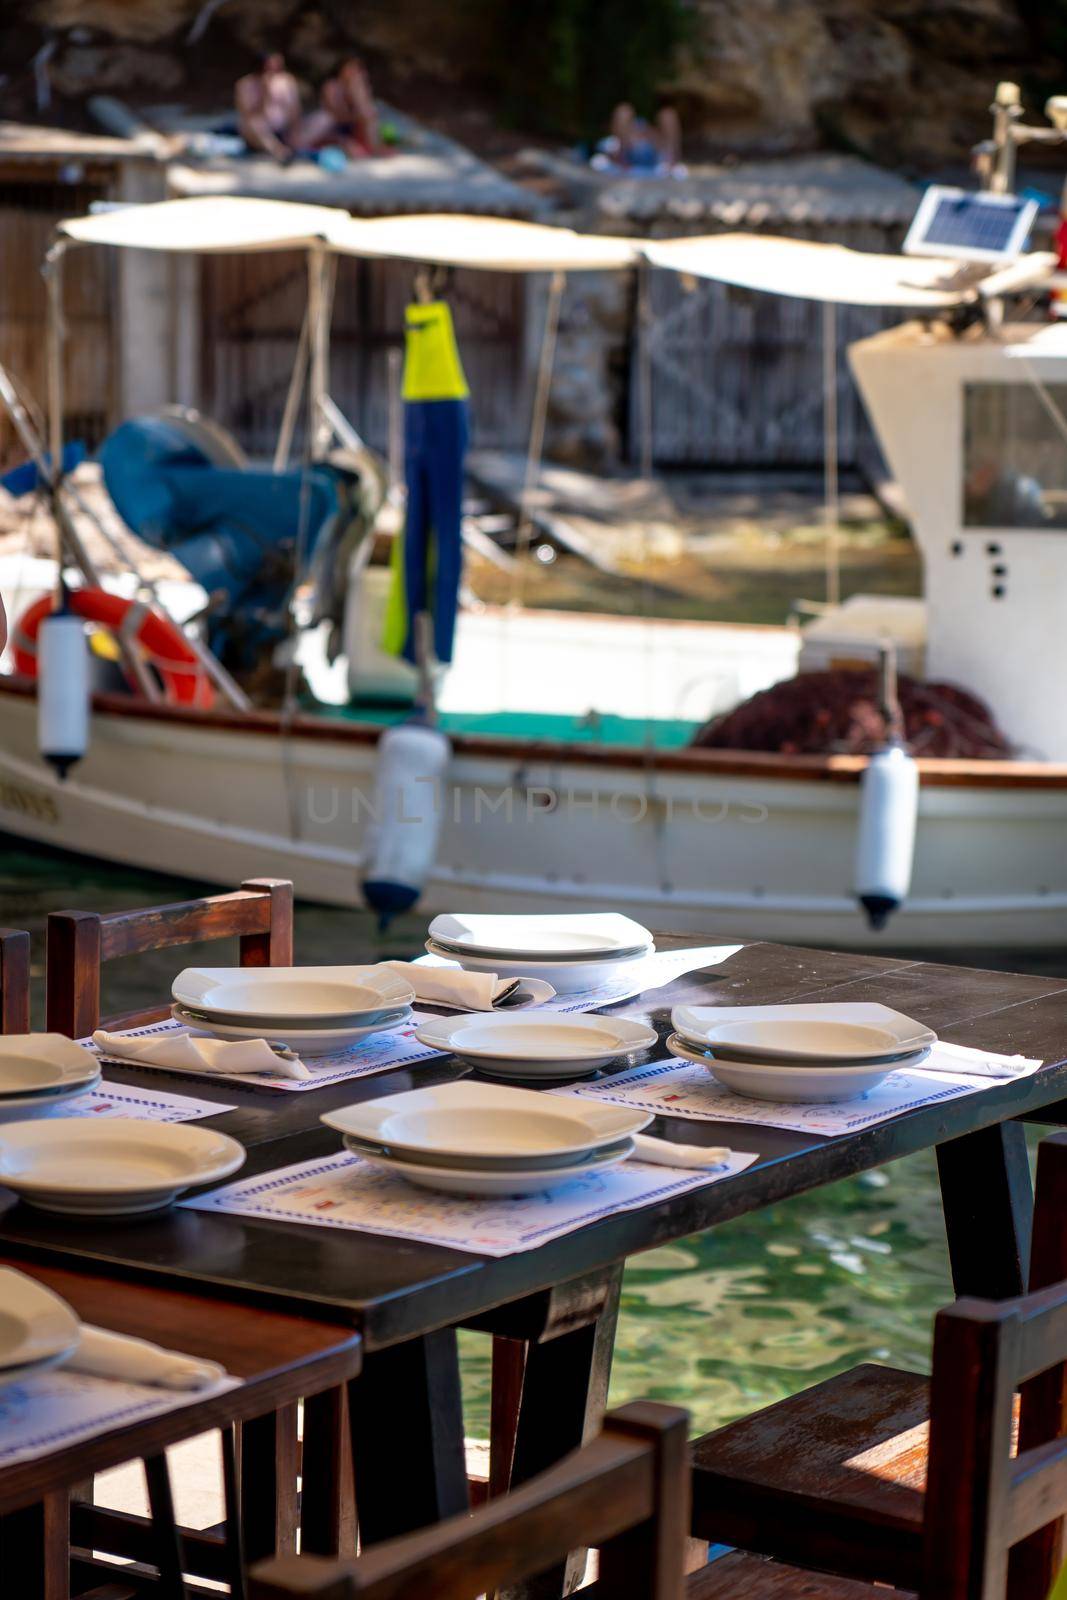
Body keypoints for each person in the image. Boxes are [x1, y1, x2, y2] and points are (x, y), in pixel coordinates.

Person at [235, 54, 307, 162]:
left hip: (284, 127)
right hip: (259, 130)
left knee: (322, 119)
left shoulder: (286, 81)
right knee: (254, 123)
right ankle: (280, 152)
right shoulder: (245, 84)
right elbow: (248, 115)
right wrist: (264, 94)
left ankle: (295, 145)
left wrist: (295, 129)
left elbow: (295, 109)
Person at [592, 102, 685, 177]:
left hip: (656, 171)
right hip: (625, 173)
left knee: (667, 115)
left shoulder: (649, 138)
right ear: (613, 125)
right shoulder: (607, 147)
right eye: (620, 121)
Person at [316, 57, 382, 159]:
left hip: (353, 129)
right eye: (350, 68)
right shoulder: (332, 86)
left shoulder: (358, 88)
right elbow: (336, 116)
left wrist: (358, 93)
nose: (353, 72)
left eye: (356, 69)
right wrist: (356, 114)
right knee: (354, 150)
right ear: (341, 69)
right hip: (333, 130)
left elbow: (367, 112)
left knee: (370, 111)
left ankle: (375, 147)